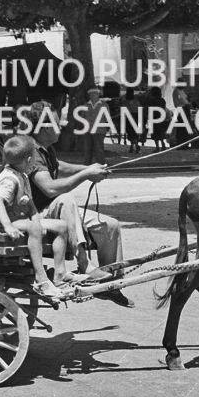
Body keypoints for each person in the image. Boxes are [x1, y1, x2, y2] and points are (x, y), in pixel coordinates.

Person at [22, 100, 135, 307]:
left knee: (110, 226)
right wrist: (85, 174)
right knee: (65, 199)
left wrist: (89, 168)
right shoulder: (31, 152)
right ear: (46, 127)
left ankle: (111, 283)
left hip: (54, 210)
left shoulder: (47, 149)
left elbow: (59, 167)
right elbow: (50, 188)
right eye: (57, 123)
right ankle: (85, 265)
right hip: (36, 215)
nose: (62, 126)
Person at [0, 136, 72, 300]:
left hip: (18, 218)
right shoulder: (10, 179)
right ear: (29, 159)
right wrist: (8, 227)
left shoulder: (23, 175)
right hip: (2, 222)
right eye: (35, 158)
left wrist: (36, 220)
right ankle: (41, 278)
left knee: (62, 226)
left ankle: (60, 274)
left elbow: (30, 204)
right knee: (34, 228)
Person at [122, 87, 143, 153]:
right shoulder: (136, 101)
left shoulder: (124, 101)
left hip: (128, 117)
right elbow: (140, 109)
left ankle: (132, 146)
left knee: (130, 132)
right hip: (136, 117)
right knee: (136, 133)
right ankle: (136, 146)